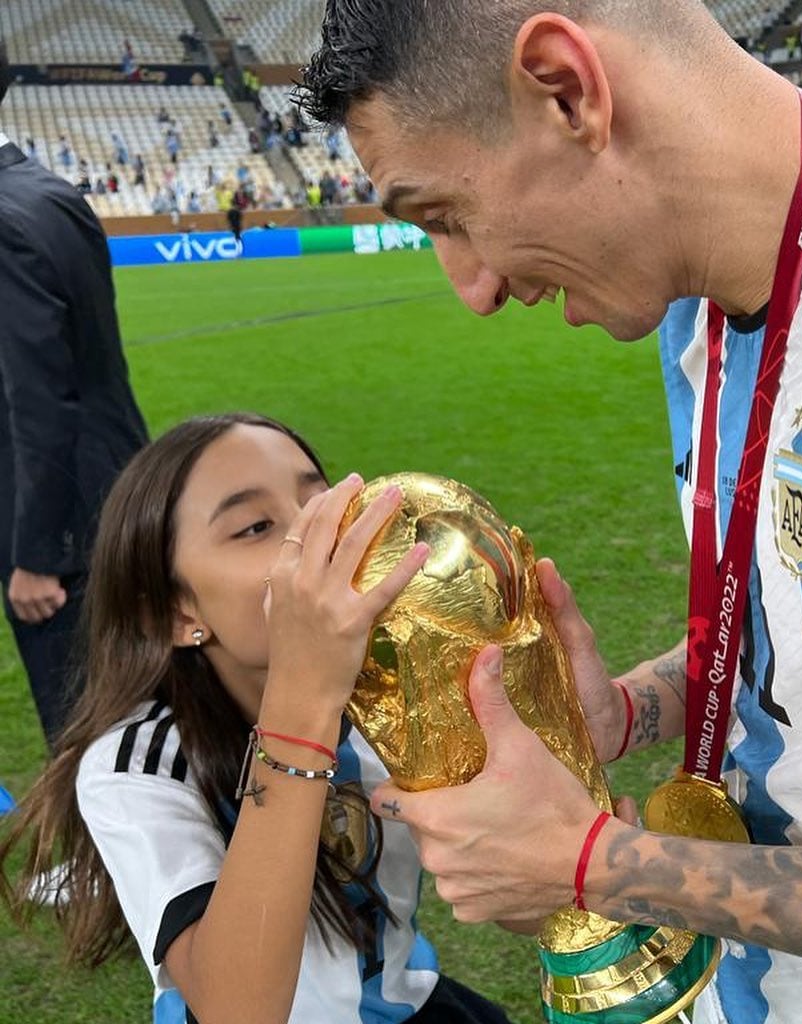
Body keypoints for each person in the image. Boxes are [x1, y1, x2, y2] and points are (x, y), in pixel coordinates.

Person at [297, 3, 802, 1023]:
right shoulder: (691, 304)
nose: (471, 287)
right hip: (760, 983)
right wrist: (626, 711)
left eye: (444, 215)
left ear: (565, 88)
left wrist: (603, 865)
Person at [0, 413, 513, 1024]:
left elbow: (521, 895)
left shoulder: (397, 701)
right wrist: (305, 705)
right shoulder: (135, 765)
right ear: (171, 612)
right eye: (256, 526)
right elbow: (235, 1008)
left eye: (321, 502)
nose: (316, 534)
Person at [0, 47, 148, 749]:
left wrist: (39, 554)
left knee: (93, 743)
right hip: (118, 496)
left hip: (64, 536)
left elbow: (39, 399)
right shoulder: (48, 191)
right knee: (141, 725)